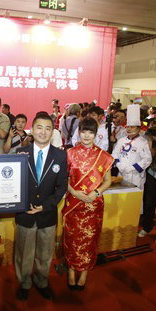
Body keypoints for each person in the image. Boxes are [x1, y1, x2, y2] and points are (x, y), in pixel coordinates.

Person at [14, 113, 68, 301]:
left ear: (52, 131)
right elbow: (13, 183)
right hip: (25, 212)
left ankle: (42, 281)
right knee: (24, 253)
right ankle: (24, 283)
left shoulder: (60, 155)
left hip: (47, 214)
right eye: (39, 127)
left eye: (47, 128)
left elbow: (62, 187)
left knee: (45, 254)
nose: (43, 132)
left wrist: (45, 206)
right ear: (32, 129)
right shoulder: (21, 152)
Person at [63, 117, 113, 289]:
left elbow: (108, 181)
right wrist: (74, 192)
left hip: (93, 205)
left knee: (89, 240)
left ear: (95, 134)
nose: (86, 135)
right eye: (83, 131)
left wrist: (95, 193)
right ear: (79, 132)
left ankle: (83, 273)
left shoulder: (104, 156)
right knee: (71, 238)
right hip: (74, 203)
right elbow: (63, 178)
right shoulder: (69, 153)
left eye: (90, 132)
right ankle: (70, 271)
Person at [112, 104, 152, 189]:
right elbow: (114, 154)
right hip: (121, 174)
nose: (129, 129)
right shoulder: (121, 140)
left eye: (132, 127)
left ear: (138, 129)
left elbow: (147, 159)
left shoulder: (143, 142)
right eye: (128, 127)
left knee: (133, 199)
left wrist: (131, 168)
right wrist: (119, 165)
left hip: (135, 176)